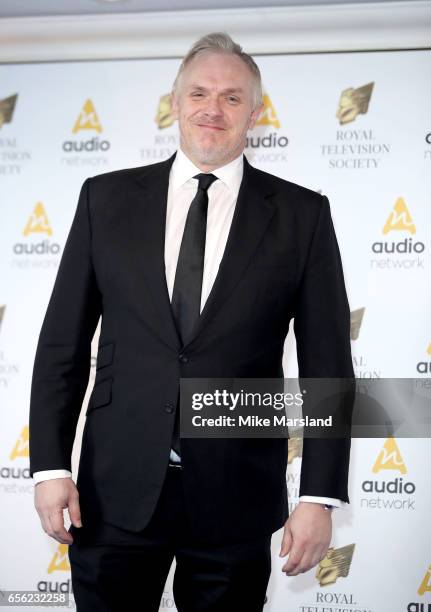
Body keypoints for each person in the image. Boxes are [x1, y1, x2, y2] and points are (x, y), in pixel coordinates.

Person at [29, 32, 354, 612]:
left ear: (255, 112)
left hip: (236, 498)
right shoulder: (105, 201)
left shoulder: (303, 215)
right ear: (175, 101)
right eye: (199, 92)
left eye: (232, 98)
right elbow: (62, 346)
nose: (213, 109)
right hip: (114, 496)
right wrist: (50, 466)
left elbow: (328, 364)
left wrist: (319, 496)